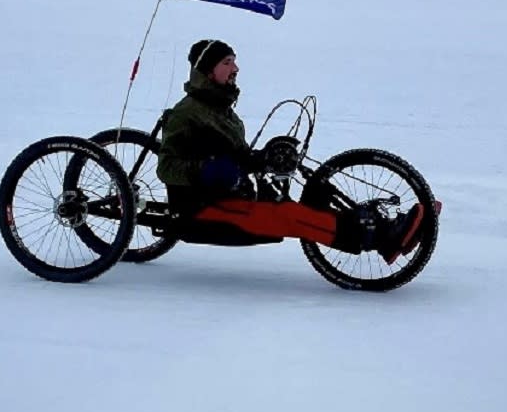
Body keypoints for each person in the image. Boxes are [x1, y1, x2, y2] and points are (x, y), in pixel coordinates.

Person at [156, 38, 428, 263]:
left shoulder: (222, 110)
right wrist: (207, 170)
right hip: (201, 209)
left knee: (310, 202)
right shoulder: (186, 113)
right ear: (207, 70)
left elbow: (236, 156)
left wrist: (265, 157)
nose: (236, 68)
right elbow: (166, 167)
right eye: (227, 63)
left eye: (234, 61)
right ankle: (381, 239)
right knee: (289, 217)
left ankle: (381, 226)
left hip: (232, 195)